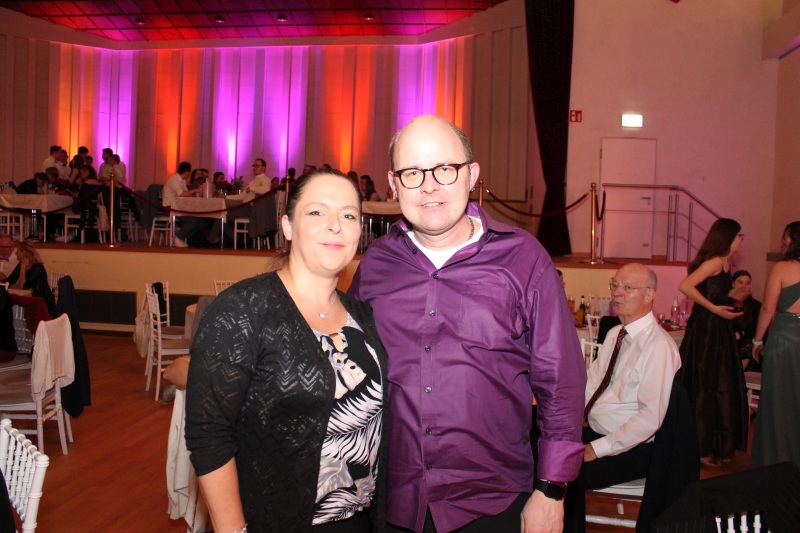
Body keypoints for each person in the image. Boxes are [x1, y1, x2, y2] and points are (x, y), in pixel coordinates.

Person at [349, 115, 585, 533]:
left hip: (492, 501)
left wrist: (551, 492)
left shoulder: (524, 259)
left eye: (445, 168)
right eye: (412, 172)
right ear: (393, 184)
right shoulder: (376, 265)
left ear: (472, 175)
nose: (429, 186)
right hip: (393, 501)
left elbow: (560, 380)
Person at [185, 171, 388, 533]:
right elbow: (209, 434)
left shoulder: (362, 316)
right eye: (317, 212)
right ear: (288, 226)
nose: (335, 226)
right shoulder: (244, 309)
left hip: (359, 521)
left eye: (348, 215)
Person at [563, 264, 681, 532]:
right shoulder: (616, 334)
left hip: (634, 448)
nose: (617, 293)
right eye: (615, 285)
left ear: (649, 295)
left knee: (565, 472)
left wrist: (596, 448)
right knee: (540, 446)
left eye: (628, 288)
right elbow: (590, 384)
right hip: (596, 432)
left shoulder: (658, 346)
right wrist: (564, 419)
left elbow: (650, 418)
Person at [678, 218, 748, 467]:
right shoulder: (715, 261)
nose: (741, 240)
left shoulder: (726, 263)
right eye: (739, 235)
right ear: (728, 237)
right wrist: (715, 309)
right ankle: (700, 447)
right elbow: (686, 286)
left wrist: (732, 295)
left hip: (717, 328)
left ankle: (715, 444)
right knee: (706, 386)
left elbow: (714, 291)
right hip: (706, 330)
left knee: (719, 384)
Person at [751, 221, 800, 467]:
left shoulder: (782, 268)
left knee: (779, 397)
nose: (783, 242)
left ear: (792, 239)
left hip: (785, 337)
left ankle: (778, 458)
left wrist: (757, 340)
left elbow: (768, 308)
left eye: (785, 237)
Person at [6, 240, 56, 316]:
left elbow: (24, 287)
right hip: (30, 300)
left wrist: (23, 267)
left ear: (24, 252)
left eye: (18, 250)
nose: (16, 253)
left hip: (42, 303)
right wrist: (13, 285)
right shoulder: (20, 264)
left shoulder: (38, 268)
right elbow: (10, 280)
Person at [162, 161, 204, 247]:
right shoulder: (174, 180)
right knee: (193, 221)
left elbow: (186, 193)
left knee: (200, 221)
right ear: (187, 172)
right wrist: (195, 190)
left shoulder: (182, 181)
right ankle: (178, 237)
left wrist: (194, 197)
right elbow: (182, 194)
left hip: (179, 207)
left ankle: (183, 238)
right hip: (170, 208)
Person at [728, 270, 763, 371]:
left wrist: (741, 334)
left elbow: (758, 329)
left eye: (747, 283)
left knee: (748, 345)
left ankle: (737, 375)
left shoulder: (755, 306)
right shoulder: (725, 304)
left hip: (746, 343)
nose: (744, 286)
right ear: (733, 284)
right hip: (728, 341)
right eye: (740, 282)